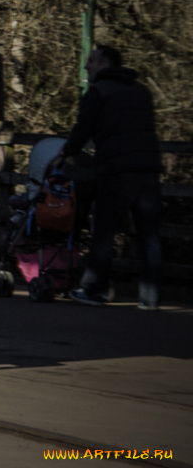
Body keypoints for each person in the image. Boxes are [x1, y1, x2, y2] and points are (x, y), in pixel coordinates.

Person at [65, 45, 163, 309]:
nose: (87, 67)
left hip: (117, 170)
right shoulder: (142, 91)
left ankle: (95, 289)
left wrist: (65, 153)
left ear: (104, 64)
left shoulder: (97, 93)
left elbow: (82, 130)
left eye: (91, 62)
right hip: (149, 168)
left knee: (104, 231)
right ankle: (150, 297)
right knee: (149, 235)